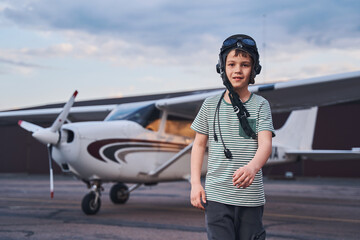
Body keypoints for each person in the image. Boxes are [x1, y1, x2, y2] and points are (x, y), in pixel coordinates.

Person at [190, 34, 275, 240]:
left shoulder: (261, 105)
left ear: (254, 69)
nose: (237, 70)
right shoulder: (210, 105)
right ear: (222, 68)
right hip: (217, 196)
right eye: (231, 64)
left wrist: (252, 167)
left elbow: (265, 145)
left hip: (250, 199)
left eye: (245, 64)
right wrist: (195, 183)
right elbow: (199, 145)